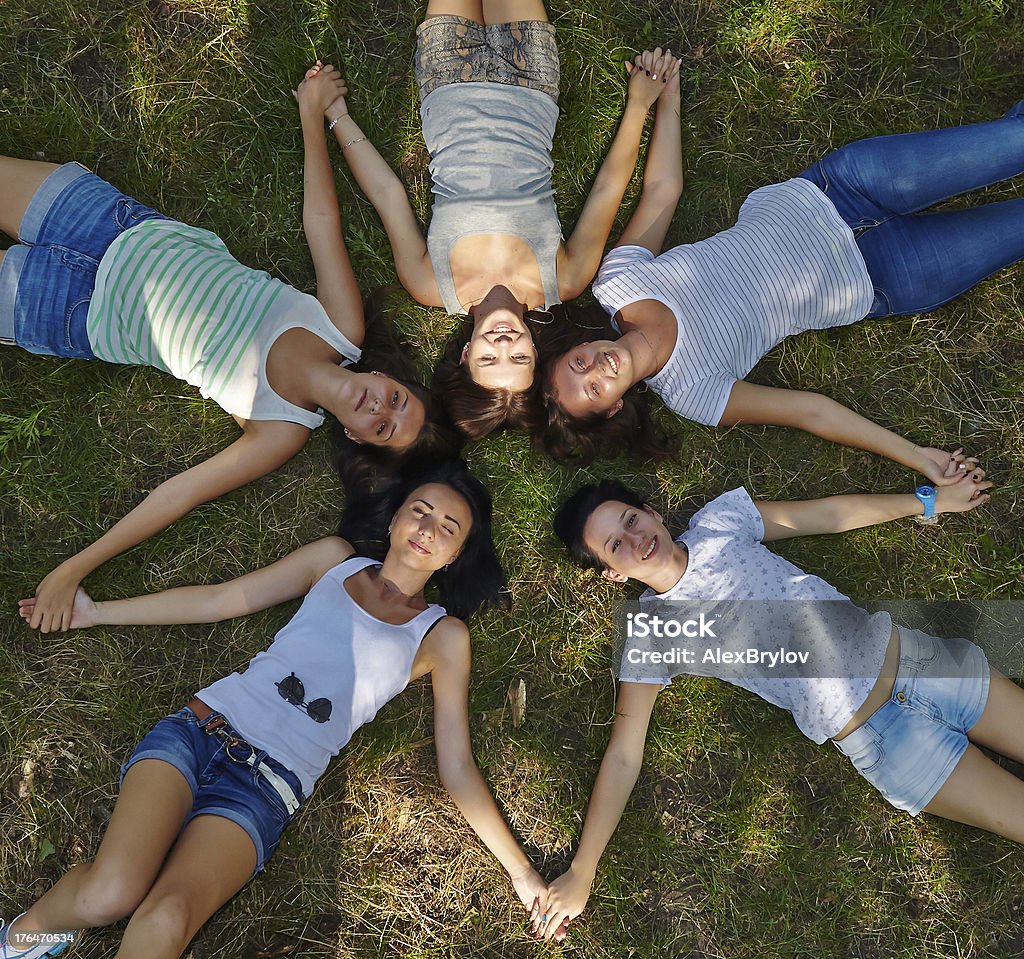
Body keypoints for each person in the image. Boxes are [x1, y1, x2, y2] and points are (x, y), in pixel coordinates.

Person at [5, 460, 546, 959]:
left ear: (455, 555)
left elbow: (456, 765)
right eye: (420, 511)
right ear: (395, 518)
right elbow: (221, 601)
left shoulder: (442, 635)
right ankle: (30, 935)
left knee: (168, 918)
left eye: (448, 527)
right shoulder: (334, 561)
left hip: (267, 787)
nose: (428, 529)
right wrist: (96, 613)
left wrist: (521, 872)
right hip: (200, 731)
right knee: (110, 894)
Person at [1, 64, 453, 635]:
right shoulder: (342, 327)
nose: (380, 408)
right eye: (396, 399)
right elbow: (321, 222)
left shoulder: (281, 428)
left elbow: (176, 495)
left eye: (385, 426)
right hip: (113, 224)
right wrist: (312, 116)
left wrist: (75, 569)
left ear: (359, 438)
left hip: (71, 311)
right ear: (387, 377)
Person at [535, 469, 1022, 940]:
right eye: (616, 546)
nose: (635, 539)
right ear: (613, 574)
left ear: (651, 512)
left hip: (923, 663)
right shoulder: (650, 634)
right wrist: (582, 869)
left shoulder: (719, 524)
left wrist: (931, 501)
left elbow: (829, 514)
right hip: (888, 744)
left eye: (630, 521)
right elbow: (624, 753)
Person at [542, 95, 1024, 471]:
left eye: (578, 362)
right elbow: (811, 411)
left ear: (582, 344)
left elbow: (663, 191)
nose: (595, 369)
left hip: (842, 189)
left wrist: (666, 99)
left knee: (1016, 141)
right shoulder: (695, 394)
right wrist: (918, 456)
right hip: (889, 274)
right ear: (612, 409)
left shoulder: (618, 283)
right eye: (592, 389)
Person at [316, 0, 680, 436]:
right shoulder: (564, 279)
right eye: (519, 357)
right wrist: (639, 105)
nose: (504, 345)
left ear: (466, 354)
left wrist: (336, 115)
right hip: (530, 80)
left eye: (489, 359)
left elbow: (388, 196)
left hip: (447, 79)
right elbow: (606, 191)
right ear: (535, 350)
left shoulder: (430, 285)